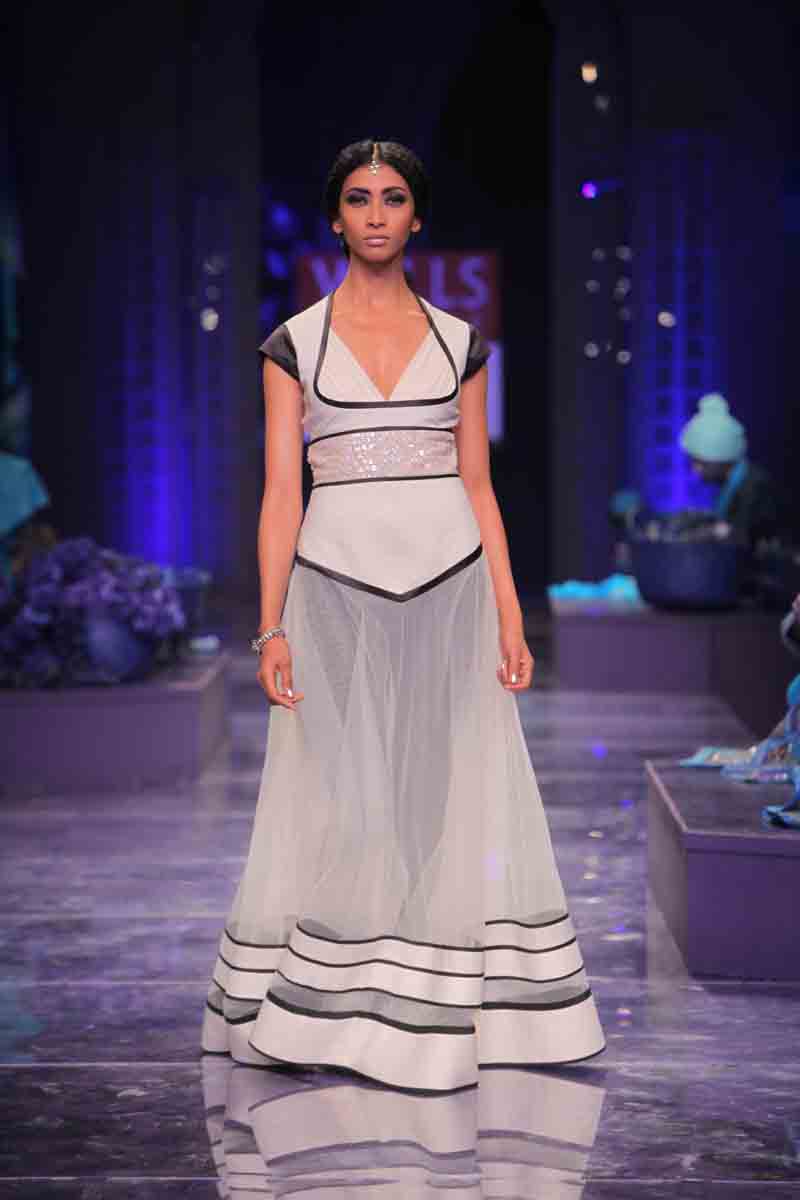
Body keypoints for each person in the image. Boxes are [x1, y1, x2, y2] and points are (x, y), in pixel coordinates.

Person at [201, 139, 605, 1092]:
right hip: (332, 590)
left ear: (417, 217)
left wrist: (511, 612)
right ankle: (337, 1006)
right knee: (343, 793)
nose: (375, 214)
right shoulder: (293, 343)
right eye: (357, 198)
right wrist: (270, 626)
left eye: (392, 199)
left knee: (435, 791)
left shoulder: (461, 342)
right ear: (336, 218)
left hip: (449, 583)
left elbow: (479, 486)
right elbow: (281, 494)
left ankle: (426, 1008)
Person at [678, 393, 783, 546]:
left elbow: (744, 535)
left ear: (720, 456)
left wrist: (709, 533)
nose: (695, 470)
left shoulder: (755, 486)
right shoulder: (732, 485)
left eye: (700, 463)